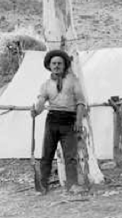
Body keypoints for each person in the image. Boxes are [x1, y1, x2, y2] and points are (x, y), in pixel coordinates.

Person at [31, 49, 86, 195]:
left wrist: (79, 121)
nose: (56, 66)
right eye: (54, 63)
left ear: (64, 65)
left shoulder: (73, 81)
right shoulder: (46, 85)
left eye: (59, 63)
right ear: (49, 66)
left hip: (69, 121)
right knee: (46, 155)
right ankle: (42, 187)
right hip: (52, 121)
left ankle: (72, 185)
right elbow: (41, 102)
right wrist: (36, 112)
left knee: (70, 156)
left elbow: (81, 102)